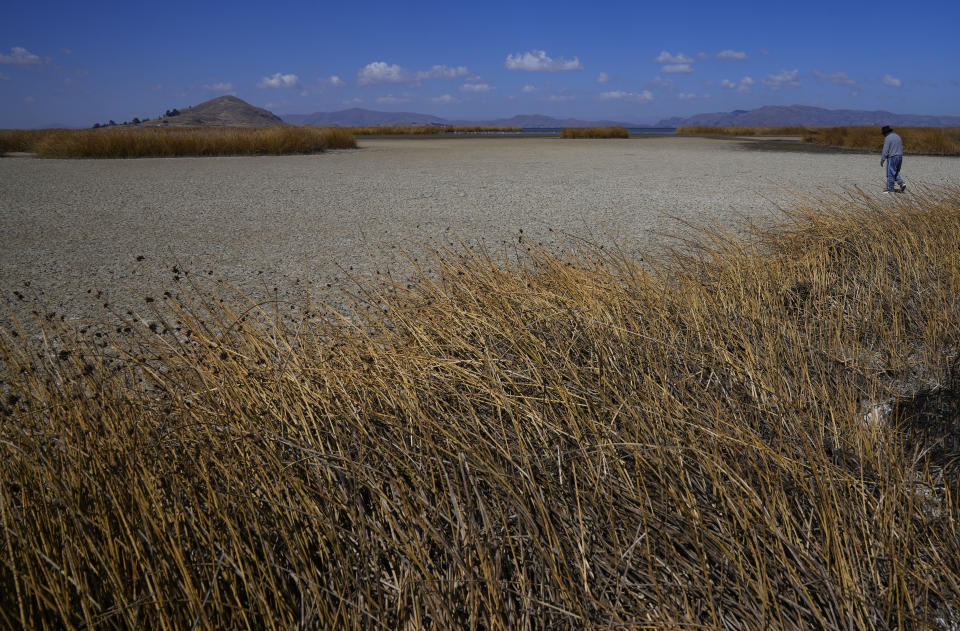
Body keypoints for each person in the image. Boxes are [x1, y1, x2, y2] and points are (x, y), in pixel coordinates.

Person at [880, 125, 906, 193]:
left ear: (885, 133)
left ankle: (891, 188)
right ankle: (900, 184)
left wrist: (882, 159)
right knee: (895, 172)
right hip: (900, 157)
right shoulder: (897, 136)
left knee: (890, 172)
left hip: (892, 157)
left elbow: (885, 150)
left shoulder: (888, 138)